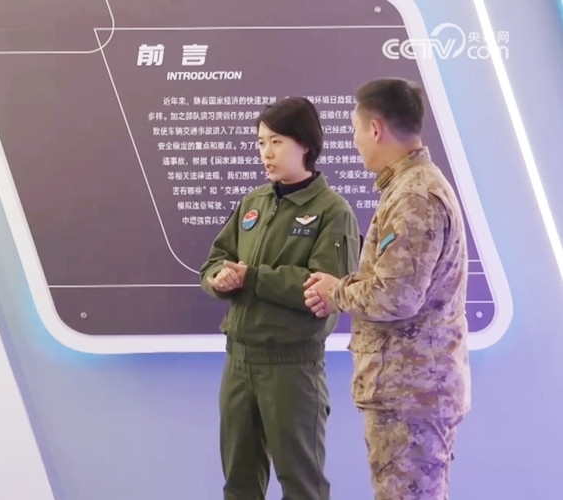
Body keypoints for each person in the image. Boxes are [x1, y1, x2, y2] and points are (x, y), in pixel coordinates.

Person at [303, 77, 470, 500]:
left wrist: (336, 291)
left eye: (356, 129)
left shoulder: (414, 197)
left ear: (375, 129)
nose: (355, 141)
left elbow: (395, 296)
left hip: (410, 394)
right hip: (408, 392)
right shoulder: (410, 187)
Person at [200, 96, 360, 500]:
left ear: (304, 143)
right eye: (260, 143)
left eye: (276, 142)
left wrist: (253, 278)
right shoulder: (253, 202)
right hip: (239, 360)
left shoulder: (332, 211)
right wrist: (218, 278)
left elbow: (321, 291)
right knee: (239, 482)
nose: (266, 153)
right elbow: (215, 259)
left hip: (291, 366)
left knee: (301, 483)